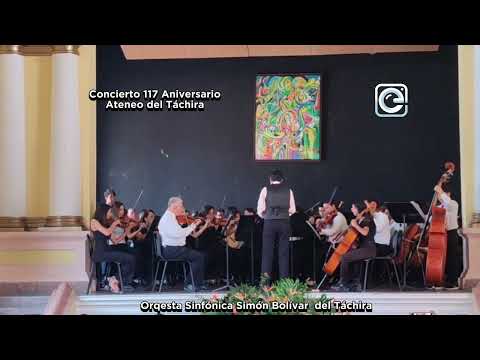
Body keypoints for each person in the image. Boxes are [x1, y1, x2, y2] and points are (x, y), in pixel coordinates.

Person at [158, 197, 208, 292]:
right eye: (181, 206)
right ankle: (190, 284)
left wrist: (188, 229)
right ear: (174, 206)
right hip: (172, 250)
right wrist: (194, 225)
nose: (183, 208)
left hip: (173, 249)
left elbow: (179, 234)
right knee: (199, 257)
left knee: (199, 256)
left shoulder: (170, 217)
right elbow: (179, 234)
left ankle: (196, 284)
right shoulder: (168, 219)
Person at [257, 169, 296, 283]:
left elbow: (260, 210)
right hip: (284, 222)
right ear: (282, 180)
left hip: (269, 222)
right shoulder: (289, 190)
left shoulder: (265, 189)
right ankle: (284, 285)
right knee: (284, 253)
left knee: (267, 253)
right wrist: (284, 215)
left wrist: (267, 216)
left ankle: (265, 285)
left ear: (270, 179)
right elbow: (292, 210)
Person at [330, 202, 376, 292]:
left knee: (345, 257)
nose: (351, 209)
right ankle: (353, 283)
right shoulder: (360, 220)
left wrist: (355, 225)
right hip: (363, 248)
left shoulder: (367, 219)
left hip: (368, 249)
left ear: (358, 209)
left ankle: (343, 284)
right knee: (349, 256)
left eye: (353, 207)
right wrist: (337, 239)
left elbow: (365, 232)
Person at [90, 204, 136, 293]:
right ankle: (116, 280)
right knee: (129, 258)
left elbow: (115, 241)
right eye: (110, 211)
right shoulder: (94, 221)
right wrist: (114, 223)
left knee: (130, 257)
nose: (111, 214)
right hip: (100, 253)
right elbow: (107, 233)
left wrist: (125, 233)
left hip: (107, 250)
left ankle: (115, 279)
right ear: (103, 211)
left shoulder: (105, 224)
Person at [434, 183, 461, 288]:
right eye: (438, 196)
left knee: (451, 257)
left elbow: (448, 204)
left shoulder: (454, 203)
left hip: (451, 232)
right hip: (440, 234)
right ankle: (440, 278)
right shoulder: (439, 207)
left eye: (441, 195)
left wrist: (440, 190)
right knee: (441, 257)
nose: (439, 197)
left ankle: (453, 281)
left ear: (448, 194)